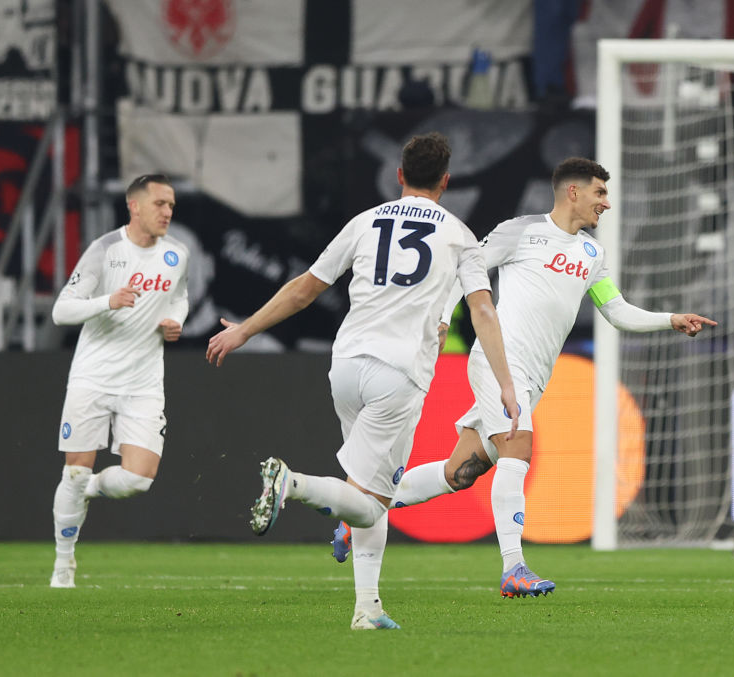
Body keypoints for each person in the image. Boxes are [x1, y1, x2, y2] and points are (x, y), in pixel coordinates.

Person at [333, 157, 717, 598]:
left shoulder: (593, 253)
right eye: (600, 193)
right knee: (518, 446)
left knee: (460, 472)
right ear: (572, 192)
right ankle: (514, 567)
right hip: (502, 362)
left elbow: (617, 311)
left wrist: (670, 319)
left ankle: (362, 509)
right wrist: (441, 319)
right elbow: (464, 275)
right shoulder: (520, 230)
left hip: (534, 375)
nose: (606, 204)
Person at [206, 132, 518, 631]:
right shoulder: (460, 234)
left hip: (346, 365)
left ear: (399, 176)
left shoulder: (366, 221)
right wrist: (505, 383)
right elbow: (481, 308)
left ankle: (367, 609)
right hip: (398, 375)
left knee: (372, 493)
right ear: (446, 181)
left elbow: (306, 288)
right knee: (374, 506)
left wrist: (244, 328)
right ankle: (295, 483)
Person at [49, 174, 189, 588]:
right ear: (135, 206)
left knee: (137, 481)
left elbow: (179, 295)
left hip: (144, 383)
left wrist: (175, 320)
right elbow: (61, 311)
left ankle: (84, 488)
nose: (167, 212)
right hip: (93, 377)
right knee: (72, 471)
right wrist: (106, 301)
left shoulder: (177, 254)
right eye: (160, 204)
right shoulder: (105, 250)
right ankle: (63, 565)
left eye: (171, 206)